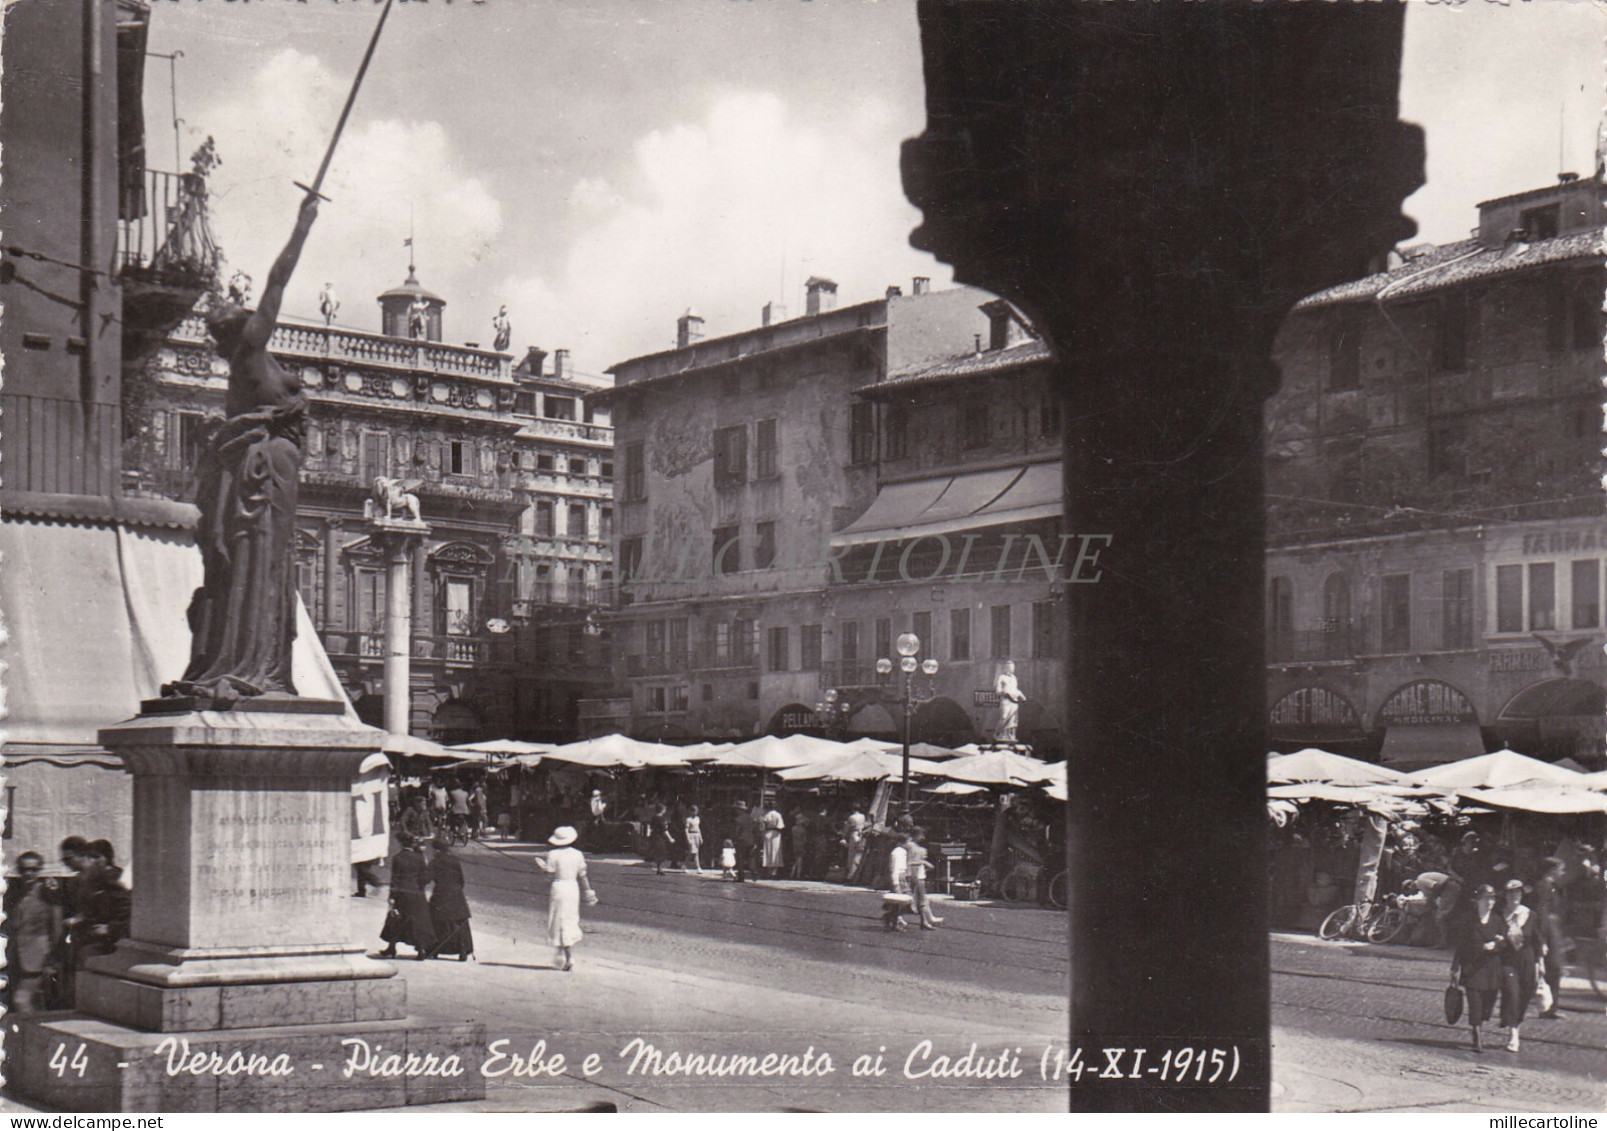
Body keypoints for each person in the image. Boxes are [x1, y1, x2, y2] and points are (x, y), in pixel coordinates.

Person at [164, 193, 319, 702]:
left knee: (267, 565)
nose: (237, 302)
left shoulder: (251, 365)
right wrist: (302, 226)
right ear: (236, 330)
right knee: (264, 564)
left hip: (270, 473)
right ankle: (255, 662)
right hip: (267, 474)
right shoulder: (251, 352)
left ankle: (256, 659)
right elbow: (277, 281)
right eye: (233, 310)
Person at [5, 852, 63, 1013]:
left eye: (33, 869)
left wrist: (52, 958)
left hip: (38, 958)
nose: (28, 873)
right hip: (14, 956)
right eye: (24, 869)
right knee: (26, 1003)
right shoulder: (14, 894)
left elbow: (57, 928)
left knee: (21, 1001)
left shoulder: (49, 894)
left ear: (39, 870)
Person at [1450, 883, 1505, 1053]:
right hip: (1472, 967)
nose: (1490, 902)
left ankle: (1481, 1022)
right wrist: (1455, 967)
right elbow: (1460, 945)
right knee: (1475, 1003)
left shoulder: (1497, 920)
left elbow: (1503, 943)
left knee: (1488, 1003)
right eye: (1486, 899)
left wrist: (1494, 947)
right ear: (1478, 901)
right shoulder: (1468, 920)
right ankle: (1477, 1037)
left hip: (1491, 968)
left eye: (1492, 899)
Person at [535, 827, 597, 971]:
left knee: (559, 920)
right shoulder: (578, 854)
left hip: (559, 887)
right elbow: (583, 875)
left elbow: (549, 874)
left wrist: (543, 867)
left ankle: (567, 957)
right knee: (569, 919)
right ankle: (562, 954)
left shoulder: (553, 854)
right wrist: (588, 892)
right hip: (573, 888)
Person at [1498, 878, 1540, 1051]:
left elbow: (1537, 940)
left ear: (1522, 895)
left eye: (1517, 893)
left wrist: (1540, 964)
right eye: (1510, 893)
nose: (1513, 896)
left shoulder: (1530, 914)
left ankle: (1515, 1022)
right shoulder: (1500, 915)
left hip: (1527, 960)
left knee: (1524, 995)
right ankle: (1513, 1034)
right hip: (1507, 961)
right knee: (1513, 994)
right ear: (1505, 895)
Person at [379, 836, 434, 960]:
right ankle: (421, 950)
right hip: (416, 893)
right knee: (418, 922)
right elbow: (425, 877)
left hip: (402, 892)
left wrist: (392, 896)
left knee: (396, 920)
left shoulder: (397, 858)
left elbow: (395, 878)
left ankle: (391, 947)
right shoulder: (419, 858)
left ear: (401, 844)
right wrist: (420, 886)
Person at [425, 837, 474, 961]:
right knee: (458, 922)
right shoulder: (454, 861)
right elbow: (461, 880)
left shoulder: (435, 862)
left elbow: (426, 879)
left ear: (436, 850)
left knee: (437, 921)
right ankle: (463, 949)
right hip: (457, 895)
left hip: (441, 894)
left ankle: (434, 950)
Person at [1532, 856, 1567, 1019]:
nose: (1563, 873)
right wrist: (1543, 939)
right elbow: (1542, 912)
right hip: (1548, 932)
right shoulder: (1545, 886)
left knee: (1554, 970)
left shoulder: (1552, 886)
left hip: (1553, 931)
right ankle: (1548, 1008)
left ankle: (1550, 1008)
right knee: (1552, 969)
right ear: (1552, 870)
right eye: (1561, 869)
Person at [907, 827, 944, 930]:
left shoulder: (914, 846)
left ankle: (926, 920)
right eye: (921, 835)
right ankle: (925, 922)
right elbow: (909, 862)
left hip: (920, 874)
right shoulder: (911, 846)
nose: (923, 837)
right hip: (916, 876)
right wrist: (924, 862)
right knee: (921, 899)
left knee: (921, 899)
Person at [884, 834, 912, 932]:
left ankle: (893, 918)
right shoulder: (896, 853)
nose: (909, 844)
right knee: (899, 901)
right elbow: (894, 869)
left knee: (902, 902)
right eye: (908, 841)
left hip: (902, 877)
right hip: (898, 878)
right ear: (901, 842)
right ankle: (895, 920)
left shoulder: (903, 852)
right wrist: (895, 883)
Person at [731, 801, 756, 883]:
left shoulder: (737, 819)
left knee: (740, 859)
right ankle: (754, 873)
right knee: (750, 857)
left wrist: (734, 839)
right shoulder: (750, 818)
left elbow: (736, 831)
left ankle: (741, 877)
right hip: (750, 840)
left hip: (741, 840)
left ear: (739, 810)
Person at [761, 804, 786, 879]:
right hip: (776, 834)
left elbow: (763, 825)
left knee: (768, 851)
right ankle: (774, 872)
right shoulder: (778, 815)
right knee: (775, 852)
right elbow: (780, 826)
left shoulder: (767, 815)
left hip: (768, 833)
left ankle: (768, 870)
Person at [683, 805, 705, 874]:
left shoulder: (697, 819)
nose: (695, 813)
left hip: (697, 835)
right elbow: (686, 829)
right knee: (693, 851)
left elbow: (698, 828)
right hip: (691, 834)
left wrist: (700, 837)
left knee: (695, 852)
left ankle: (685, 865)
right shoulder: (688, 819)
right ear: (691, 812)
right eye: (694, 811)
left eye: (696, 811)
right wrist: (688, 838)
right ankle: (698, 867)